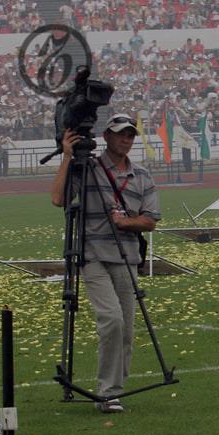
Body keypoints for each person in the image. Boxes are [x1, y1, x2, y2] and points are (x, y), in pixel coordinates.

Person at [50, 114, 160, 414]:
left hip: (127, 256)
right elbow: (58, 198)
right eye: (120, 134)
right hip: (93, 255)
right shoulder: (89, 168)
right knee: (111, 319)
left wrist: (125, 223)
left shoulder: (142, 175)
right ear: (106, 136)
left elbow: (150, 220)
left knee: (125, 330)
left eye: (130, 135)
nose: (126, 139)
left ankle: (114, 390)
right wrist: (67, 157)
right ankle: (108, 392)